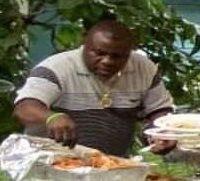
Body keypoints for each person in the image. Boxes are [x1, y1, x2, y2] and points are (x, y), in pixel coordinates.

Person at [14, 18, 177, 156]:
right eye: (99, 53)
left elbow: (159, 110)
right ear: (84, 44)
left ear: (130, 52)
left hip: (112, 165)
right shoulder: (56, 68)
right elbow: (25, 108)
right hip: (55, 164)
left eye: (117, 56)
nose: (107, 61)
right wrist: (52, 117)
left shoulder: (144, 68)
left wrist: (161, 131)